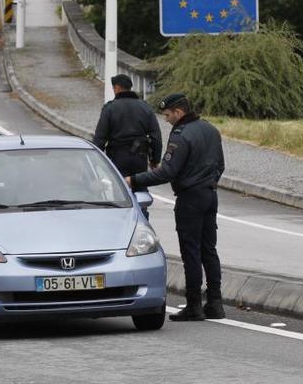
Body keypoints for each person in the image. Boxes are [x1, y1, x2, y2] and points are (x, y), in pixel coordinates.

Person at [126, 93, 226, 321]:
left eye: (168, 114)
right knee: (209, 249)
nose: (166, 119)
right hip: (210, 195)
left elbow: (167, 171)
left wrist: (134, 180)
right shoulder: (211, 130)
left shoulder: (181, 135)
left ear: (179, 112)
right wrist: (208, 182)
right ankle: (215, 303)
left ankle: (193, 305)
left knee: (191, 251)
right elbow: (221, 165)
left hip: (190, 198)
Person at [93, 74, 162, 182]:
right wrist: (155, 160)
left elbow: (100, 137)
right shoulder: (145, 107)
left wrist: (95, 160)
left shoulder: (110, 108)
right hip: (140, 158)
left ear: (117, 88)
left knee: (120, 191)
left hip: (117, 158)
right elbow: (156, 136)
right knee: (140, 187)